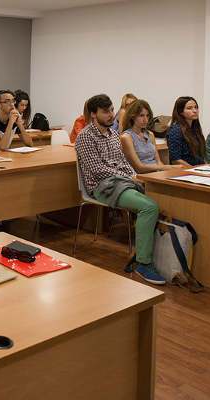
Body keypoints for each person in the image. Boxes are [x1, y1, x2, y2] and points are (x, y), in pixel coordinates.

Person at [75, 94, 164, 285]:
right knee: (149, 207)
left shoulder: (114, 134)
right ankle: (143, 263)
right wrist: (128, 177)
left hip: (121, 182)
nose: (111, 115)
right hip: (103, 187)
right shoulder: (85, 137)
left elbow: (123, 162)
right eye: (105, 111)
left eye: (112, 110)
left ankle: (144, 253)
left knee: (163, 200)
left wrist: (134, 175)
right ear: (93, 114)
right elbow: (98, 170)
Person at [120, 100, 182, 173]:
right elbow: (139, 167)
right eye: (141, 115)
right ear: (133, 117)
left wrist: (165, 172)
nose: (145, 119)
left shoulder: (150, 134)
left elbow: (158, 162)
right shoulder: (126, 137)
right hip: (141, 175)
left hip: (156, 172)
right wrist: (169, 167)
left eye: (147, 115)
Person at [167, 96, 206, 166]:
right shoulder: (175, 130)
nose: (195, 111)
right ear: (181, 112)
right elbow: (175, 160)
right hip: (183, 171)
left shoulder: (195, 129)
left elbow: (200, 156)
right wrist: (194, 170)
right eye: (189, 108)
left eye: (196, 107)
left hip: (197, 169)